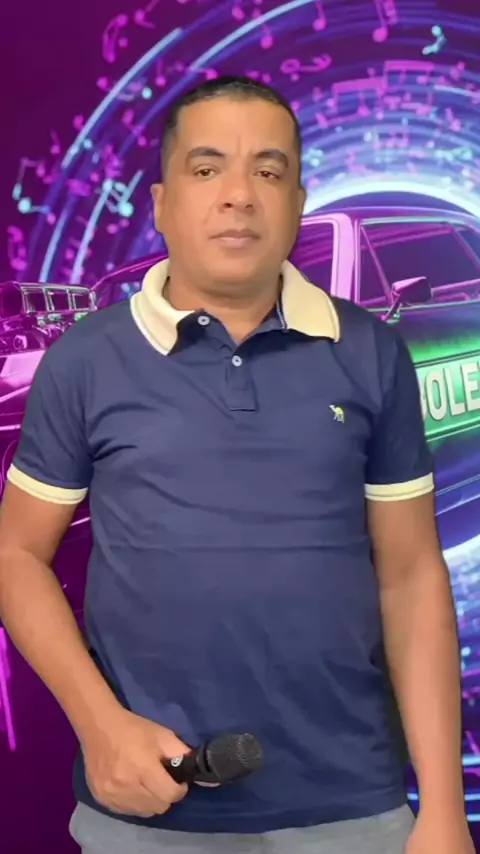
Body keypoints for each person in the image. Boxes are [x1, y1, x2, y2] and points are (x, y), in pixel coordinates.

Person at [0, 76, 474, 854]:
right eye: (206, 167)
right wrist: (99, 722)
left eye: (268, 170)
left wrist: (445, 809)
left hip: (356, 806)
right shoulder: (84, 359)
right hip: (148, 809)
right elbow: (18, 553)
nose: (239, 195)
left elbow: (411, 577)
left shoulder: (371, 351)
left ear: (296, 201)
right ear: (161, 203)